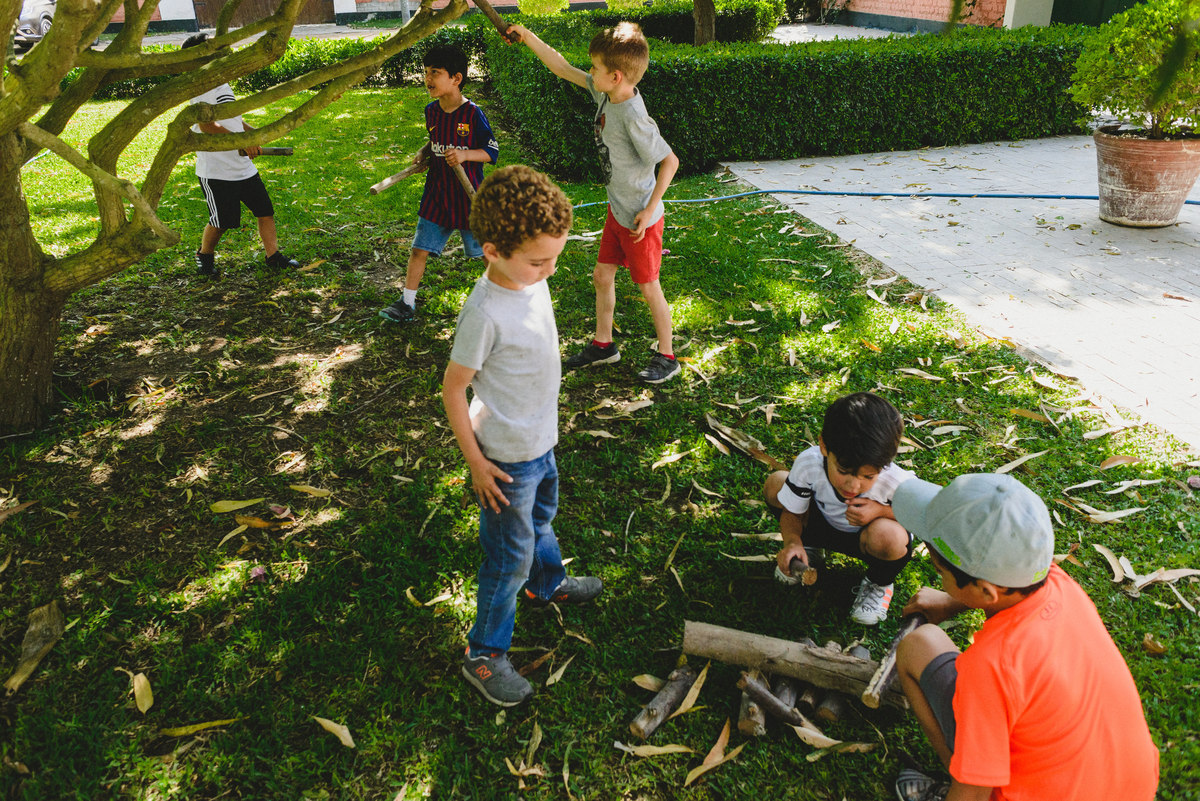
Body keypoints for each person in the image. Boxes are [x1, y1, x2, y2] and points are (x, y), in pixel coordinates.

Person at [888, 473, 1159, 801]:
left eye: (941, 571)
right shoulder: (1058, 583)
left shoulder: (990, 666)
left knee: (916, 647)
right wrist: (951, 600)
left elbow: (971, 791)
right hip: (1133, 788)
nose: (939, 577)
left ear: (986, 591)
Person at [443, 165, 602, 707]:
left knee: (540, 521)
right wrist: (476, 463)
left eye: (555, 257)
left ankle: (547, 583)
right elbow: (453, 389)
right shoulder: (484, 312)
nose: (551, 269)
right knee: (507, 556)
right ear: (492, 251)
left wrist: (539, 268)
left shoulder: (531, 279)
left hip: (541, 442)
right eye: (539, 261)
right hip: (506, 459)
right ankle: (484, 653)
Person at [505, 21, 681, 384]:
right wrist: (528, 36)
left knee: (649, 287)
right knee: (602, 275)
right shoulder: (606, 93)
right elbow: (561, 67)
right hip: (618, 211)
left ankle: (667, 354)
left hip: (639, 220)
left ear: (616, 76)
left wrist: (649, 210)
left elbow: (670, 161)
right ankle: (604, 345)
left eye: (595, 68)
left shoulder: (633, 117)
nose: (589, 72)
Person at [765, 392, 916, 625]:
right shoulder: (809, 464)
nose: (853, 485)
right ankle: (807, 548)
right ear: (824, 446)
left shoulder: (896, 482)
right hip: (822, 524)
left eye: (868, 476)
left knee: (890, 536)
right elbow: (792, 512)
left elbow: (921, 516)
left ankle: (878, 583)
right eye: (844, 471)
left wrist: (880, 511)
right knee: (776, 484)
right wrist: (792, 540)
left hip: (866, 539)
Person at [379, 44, 499, 323]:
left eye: (435, 72)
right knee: (419, 249)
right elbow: (436, 137)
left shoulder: (472, 114)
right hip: (437, 194)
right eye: (425, 72)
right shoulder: (431, 111)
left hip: (468, 198)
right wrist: (425, 150)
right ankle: (407, 303)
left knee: (485, 254)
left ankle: (504, 300)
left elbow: (491, 152)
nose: (427, 78)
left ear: (456, 79)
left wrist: (465, 155)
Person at [182, 33, 300, 277]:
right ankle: (204, 256)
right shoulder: (201, 85)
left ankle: (273, 256)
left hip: (243, 167)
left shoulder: (221, 81)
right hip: (217, 171)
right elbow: (207, 125)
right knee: (222, 220)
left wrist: (252, 135)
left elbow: (234, 119)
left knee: (265, 210)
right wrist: (243, 142)